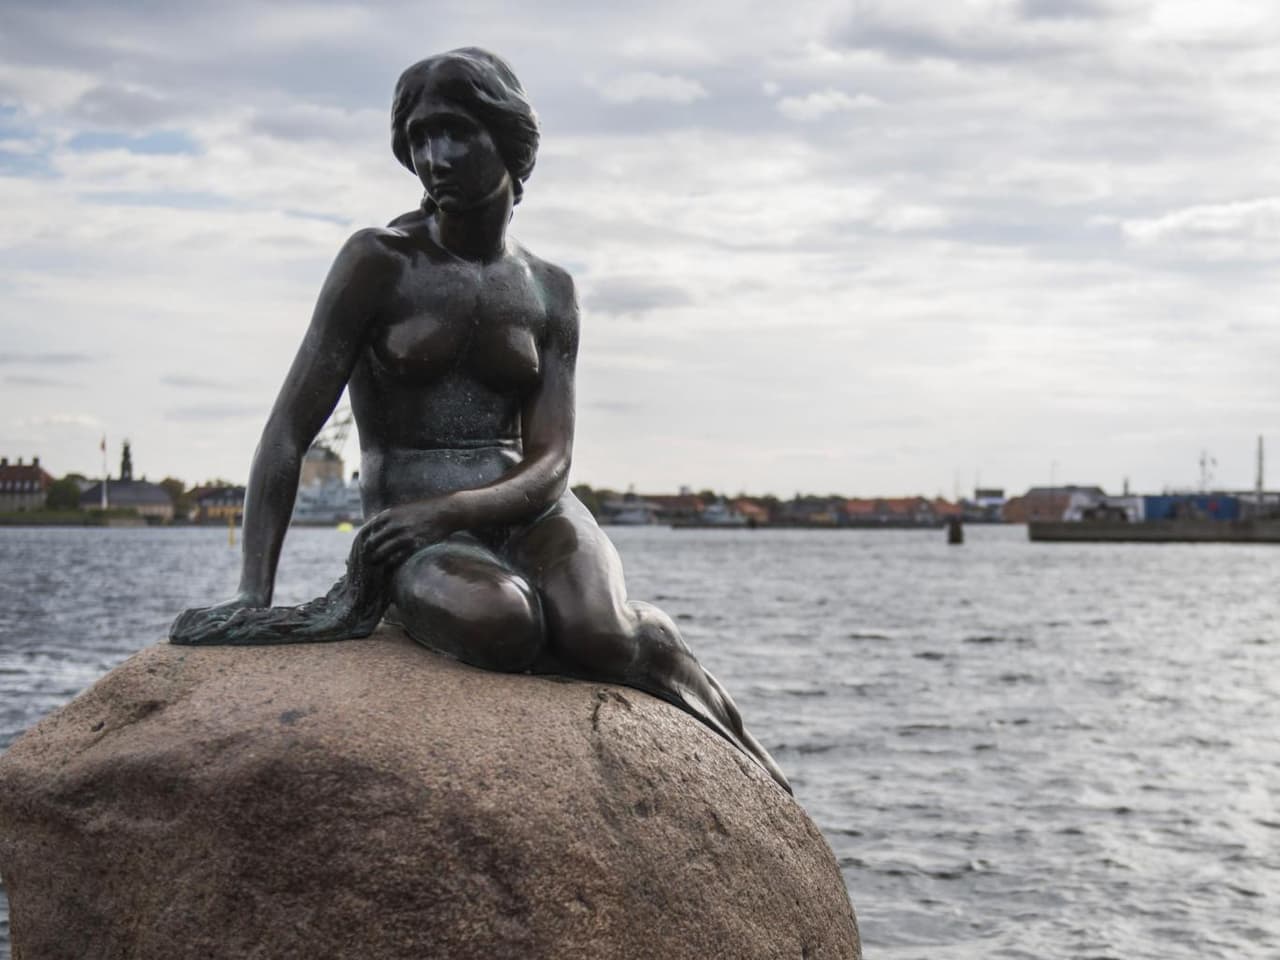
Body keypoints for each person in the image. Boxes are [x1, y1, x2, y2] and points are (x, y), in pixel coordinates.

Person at [171, 48, 788, 793]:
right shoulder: (379, 262)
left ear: (508, 138)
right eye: (419, 139)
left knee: (604, 633)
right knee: (504, 625)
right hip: (407, 520)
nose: (432, 158)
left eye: (454, 133)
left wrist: (459, 508)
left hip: (530, 508)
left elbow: (553, 460)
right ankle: (435, 603)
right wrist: (252, 593)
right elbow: (286, 435)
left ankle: (728, 734)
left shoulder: (549, 290)